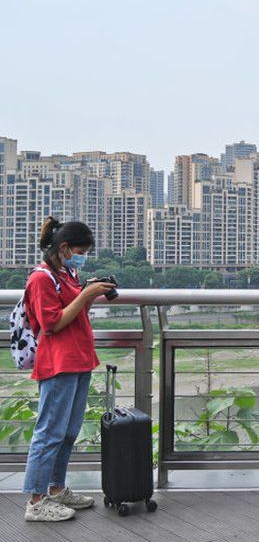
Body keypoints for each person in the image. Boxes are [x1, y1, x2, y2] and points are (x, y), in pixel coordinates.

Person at [21, 217, 116, 522]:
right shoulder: (40, 279)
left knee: (68, 432)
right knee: (49, 432)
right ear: (64, 247)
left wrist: (87, 292)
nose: (82, 256)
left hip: (79, 359)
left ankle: (57, 488)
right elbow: (52, 323)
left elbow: (74, 312)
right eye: (80, 251)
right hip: (58, 362)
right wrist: (86, 294)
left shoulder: (68, 272)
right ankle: (36, 501)